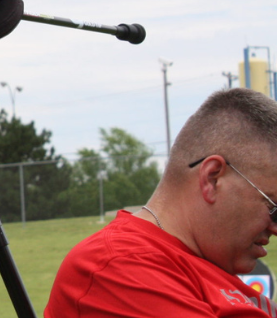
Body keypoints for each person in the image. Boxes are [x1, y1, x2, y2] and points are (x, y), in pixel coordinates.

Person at [46, 87, 277, 317]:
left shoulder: (206, 263)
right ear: (212, 178)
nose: (275, 229)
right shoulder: (120, 266)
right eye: (274, 208)